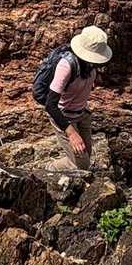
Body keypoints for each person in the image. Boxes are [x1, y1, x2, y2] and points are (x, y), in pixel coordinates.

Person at [34, 25, 112, 170]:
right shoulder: (66, 66)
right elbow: (50, 105)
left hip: (82, 113)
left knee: (85, 158)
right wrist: (71, 133)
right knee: (82, 165)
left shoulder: (90, 65)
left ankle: (67, 163)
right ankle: (48, 169)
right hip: (65, 116)